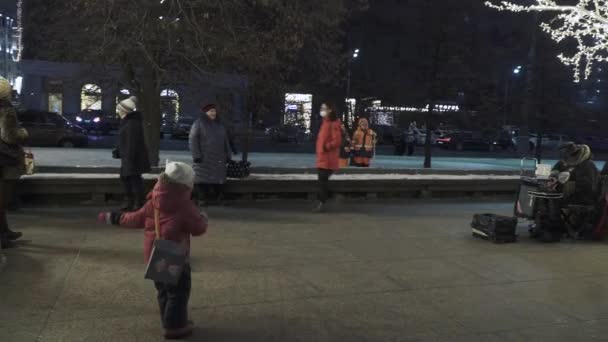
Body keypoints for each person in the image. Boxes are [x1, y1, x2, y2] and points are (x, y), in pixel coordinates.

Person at [98, 162, 207, 339]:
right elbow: (198, 228)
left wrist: (113, 217)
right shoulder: (185, 206)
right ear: (186, 185)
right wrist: (203, 218)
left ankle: (167, 320)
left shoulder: (152, 202)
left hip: (154, 256)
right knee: (178, 294)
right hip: (174, 256)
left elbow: (133, 219)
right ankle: (175, 327)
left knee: (163, 291)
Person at [0, 78, 27, 248]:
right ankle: (2, 237)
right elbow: (10, 136)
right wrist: (23, 132)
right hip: (5, 157)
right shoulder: (6, 110)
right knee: (2, 200)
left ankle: (5, 232)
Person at [189, 104, 231, 206]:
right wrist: (196, 156)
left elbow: (226, 141)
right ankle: (201, 199)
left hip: (219, 158)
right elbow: (193, 140)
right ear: (205, 113)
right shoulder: (198, 123)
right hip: (204, 158)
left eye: (214, 111)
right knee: (202, 180)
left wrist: (228, 155)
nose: (213, 113)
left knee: (219, 180)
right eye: (211, 111)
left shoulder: (220, 125)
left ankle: (219, 198)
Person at [114, 96, 151, 212]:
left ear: (125, 111)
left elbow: (131, 142)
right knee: (127, 179)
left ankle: (137, 202)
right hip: (129, 157)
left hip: (133, 158)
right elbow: (124, 139)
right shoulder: (127, 122)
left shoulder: (132, 123)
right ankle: (132, 201)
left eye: (119, 110)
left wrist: (128, 158)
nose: (118, 112)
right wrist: (118, 150)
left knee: (134, 180)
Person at [314, 102, 342, 213]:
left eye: (324, 108)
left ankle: (322, 203)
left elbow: (337, 141)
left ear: (330, 110)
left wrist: (326, 147)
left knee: (322, 182)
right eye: (322, 108)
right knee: (322, 181)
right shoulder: (325, 123)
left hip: (328, 159)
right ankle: (332, 197)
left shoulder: (333, 123)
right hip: (323, 158)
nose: (322, 110)